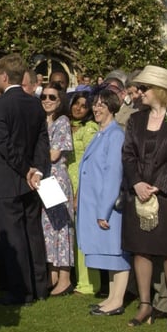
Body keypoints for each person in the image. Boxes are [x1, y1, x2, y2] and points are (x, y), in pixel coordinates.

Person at [120, 65, 167, 331]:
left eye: (145, 88)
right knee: (141, 249)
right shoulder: (136, 119)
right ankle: (145, 304)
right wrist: (138, 183)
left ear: (160, 91)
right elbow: (128, 154)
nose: (140, 93)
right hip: (138, 192)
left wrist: (158, 186)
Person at [0, 54, 52, 306]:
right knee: (32, 231)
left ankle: (21, 291)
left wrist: (27, 169)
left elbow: (4, 145)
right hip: (31, 179)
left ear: (4, 77)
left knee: (13, 236)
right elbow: (41, 141)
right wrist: (37, 169)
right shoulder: (34, 103)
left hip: (9, 178)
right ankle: (40, 286)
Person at [77, 88, 130, 316]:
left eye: (101, 104)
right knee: (107, 253)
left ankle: (117, 300)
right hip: (96, 204)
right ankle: (110, 297)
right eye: (95, 104)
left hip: (108, 207)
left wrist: (103, 211)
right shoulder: (101, 134)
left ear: (112, 107)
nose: (97, 109)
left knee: (115, 253)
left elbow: (113, 175)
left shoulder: (115, 135)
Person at [40, 86, 75, 296]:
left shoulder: (62, 122)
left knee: (61, 229)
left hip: (56, 179)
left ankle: (65, 278)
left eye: (51, 97)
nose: (46, 100)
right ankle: (52, 274)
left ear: (60, 100)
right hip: (43, 179)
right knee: (48, 228)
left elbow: (54, 155)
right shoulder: (43, 122)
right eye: (43, 96)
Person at [67, 91, 99, 295]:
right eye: (76, 104)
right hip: (63, 182)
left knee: (83, 237)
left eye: (84, 105)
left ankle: (88, 283)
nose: (78, 108)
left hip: (81, 182)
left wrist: (81, 191)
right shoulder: (62, 124)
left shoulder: (90, 128)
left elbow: (92, 161)